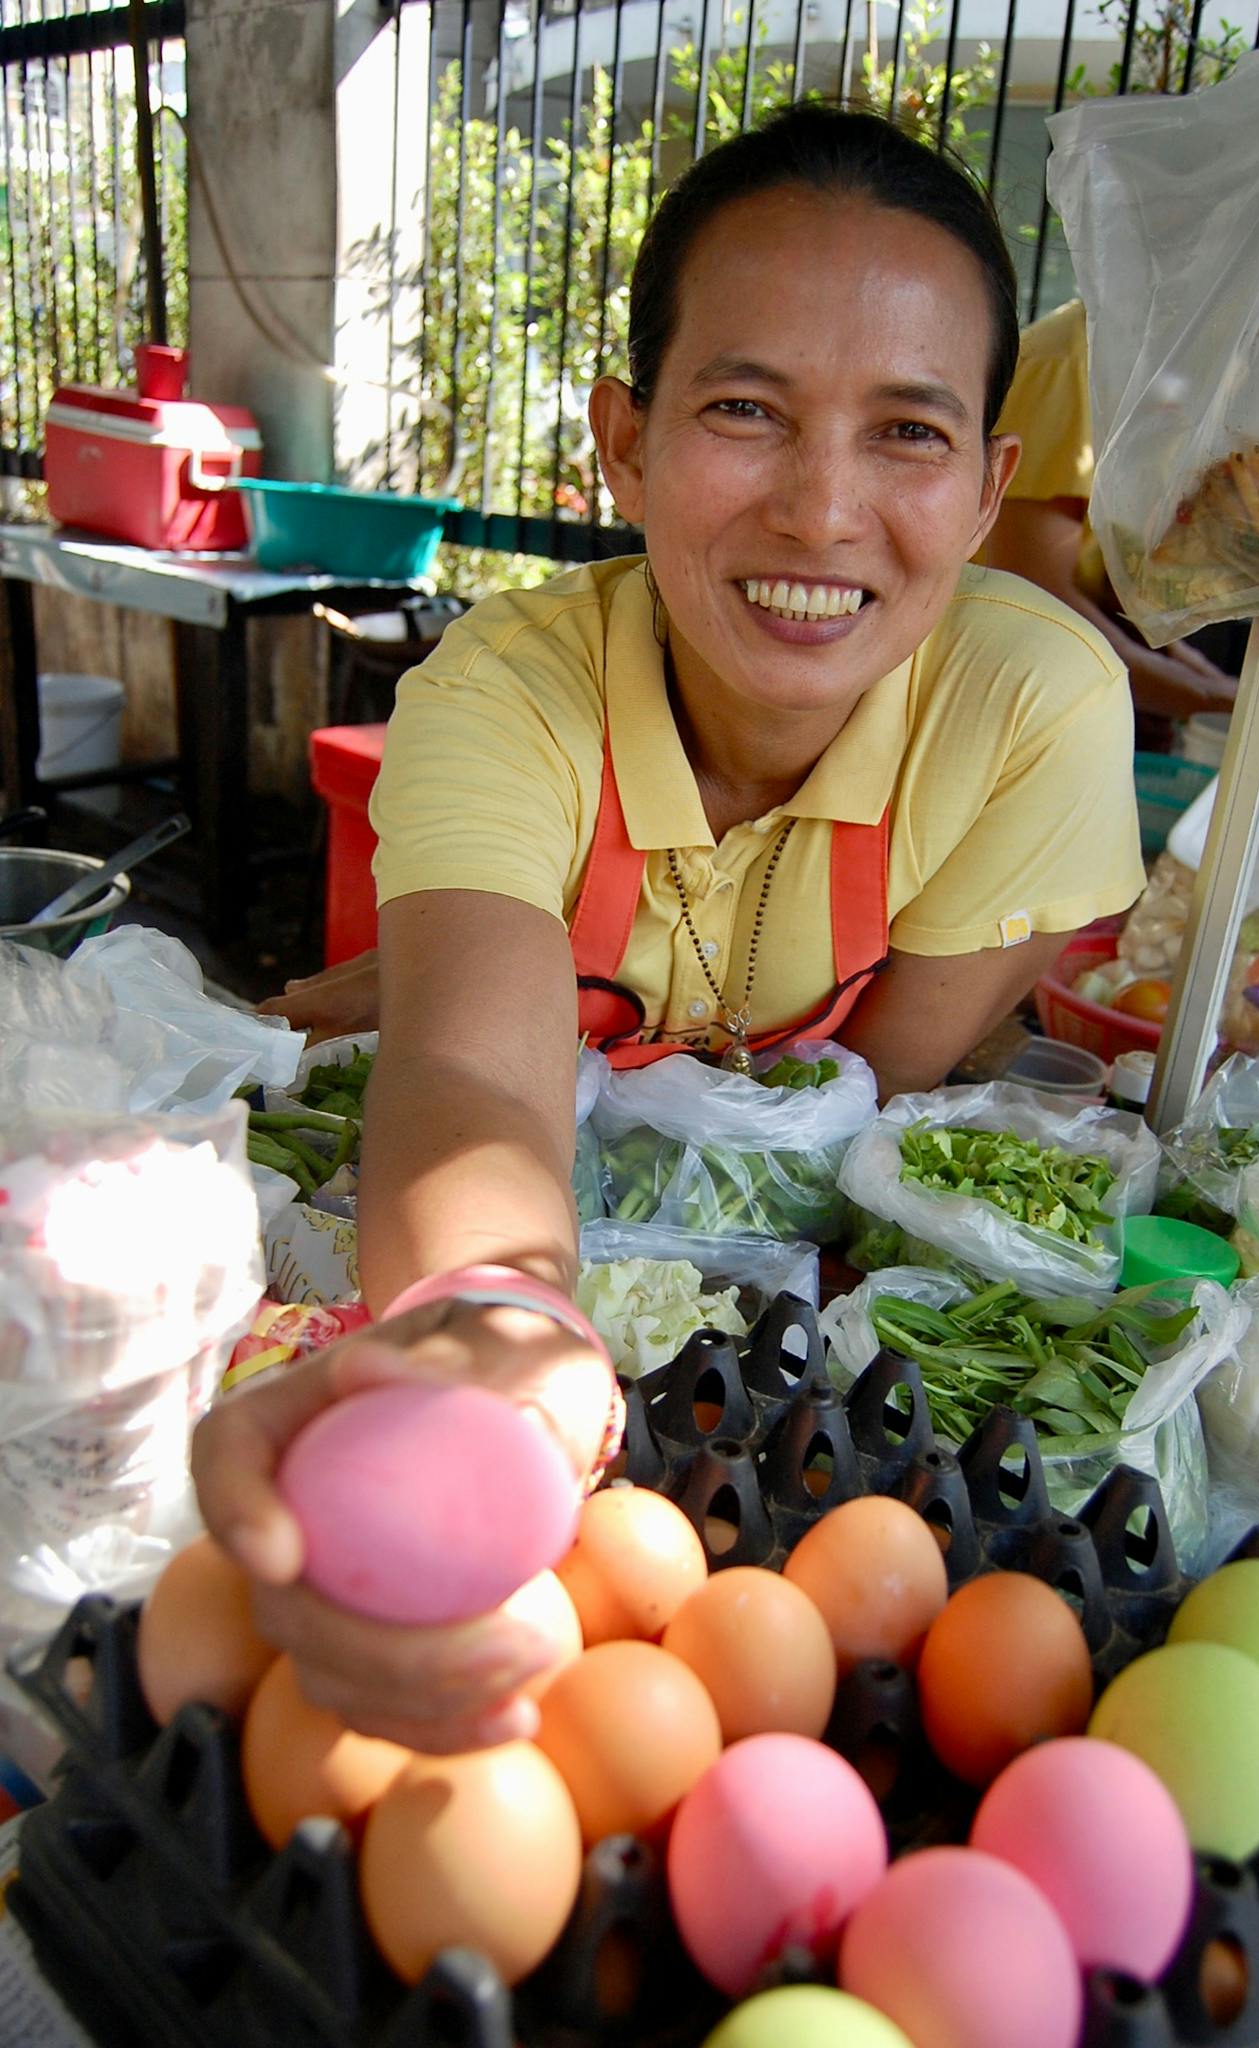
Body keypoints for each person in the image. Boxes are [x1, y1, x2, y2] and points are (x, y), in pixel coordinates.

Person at [201, 102, 1146, 1754]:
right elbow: (480, 1094)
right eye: (743, 410)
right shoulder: (507, 693)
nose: (820, 511)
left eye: (908, 433)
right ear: (623, 441)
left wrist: (570, 996)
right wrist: (485, 1337)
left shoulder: (1030, 707)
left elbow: (855, 1109)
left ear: (995, 486)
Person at [983, 297, 1239, 739]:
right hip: (1014, 680)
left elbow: (1108, 578)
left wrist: (1207, 681)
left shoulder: (1148, 364)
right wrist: (1206, 696)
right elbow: (1038, 591)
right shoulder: (1065, 366)